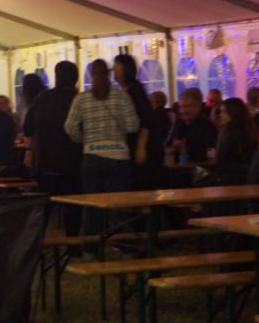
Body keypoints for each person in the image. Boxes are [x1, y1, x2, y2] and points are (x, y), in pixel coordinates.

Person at [64, 59, 139, 258]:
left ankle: (91, 250)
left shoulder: (81, 99)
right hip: (119, 156)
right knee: (122, 205)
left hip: (92, 155)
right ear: (109, 73)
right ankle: (126, 249)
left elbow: (69, 127)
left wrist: (84, 141)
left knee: (92, 206)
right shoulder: (123, 97)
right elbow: (133, 126)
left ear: (90, 76)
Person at [23, 61, 83, 247]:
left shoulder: (41, 98)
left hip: (44, 163)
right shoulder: (77, 100)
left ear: (56, 77)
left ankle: (36, 246)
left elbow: (27, 128)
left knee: (44, 208)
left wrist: (30, 150)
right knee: (72, 207)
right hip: (71, 162)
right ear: (75, 79)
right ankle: (73, 246)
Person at [114, 54, 164, 190]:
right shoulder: (127, 91)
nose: (113, 69)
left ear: (125, 69)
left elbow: (145, 121)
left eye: (116, 65)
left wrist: (141, 148)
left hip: (145, 149)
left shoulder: (135, 91)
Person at [165, 89, 219, 163]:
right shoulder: (178, 123)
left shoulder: (208, 126)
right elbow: (167, 144)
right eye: (181, 107)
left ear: (198, 107)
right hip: (177, 168)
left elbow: (210, 153)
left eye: (187, 107)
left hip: (199, 168)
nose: (183, 111)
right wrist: (173, 146)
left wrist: (186, 146)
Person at [215, 98, 258, 167]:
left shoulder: (229, 134)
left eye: (224, 112)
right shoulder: (251, 130)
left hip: (229, 171)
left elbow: (220, 160)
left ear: (233, 112)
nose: (220, 115)